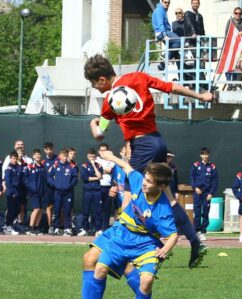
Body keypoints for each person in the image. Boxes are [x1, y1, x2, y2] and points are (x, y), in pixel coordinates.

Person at [85, 53, 212, 268]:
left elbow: (99, 135)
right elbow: (171, 87)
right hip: (158, 141)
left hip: (142, 147)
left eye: (94, 84)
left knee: (128, 195)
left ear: (102, 80)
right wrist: (200, 96)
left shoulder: (109, 102)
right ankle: (194, 241)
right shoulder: (139, 77)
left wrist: (92, 122)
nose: (96, 89)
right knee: (167, 197)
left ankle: (126, 247)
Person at [81, 152, 177, 299]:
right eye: (145, 179)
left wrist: (166, 249)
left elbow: (173, 235)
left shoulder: (163, 209)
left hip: (145, 243)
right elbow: (128, 168)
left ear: (161, 186)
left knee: (147, 280)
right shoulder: (138, 182)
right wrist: (111, 157)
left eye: (149, 181)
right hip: (122, 234)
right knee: (98, 267)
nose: (144, 183)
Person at [189, 147, 218, 241]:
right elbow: (192, 178)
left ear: (209, 155)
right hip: (197, 193)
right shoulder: (196, 165)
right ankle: (196, 231)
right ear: (201, 155)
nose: (205, 156)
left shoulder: (212, 167)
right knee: (197, 213)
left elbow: (215, 181)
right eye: (203, 154)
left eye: (207, 154)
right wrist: (195, 187)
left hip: (207, 194)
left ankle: (203, 232)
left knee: (205, 213)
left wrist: (211, 193)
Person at [48, 148, 78, 236]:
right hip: (57, 192)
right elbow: (49, 176)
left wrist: (69, 185)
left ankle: (67, 228)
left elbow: (75, 178)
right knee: (57, 210)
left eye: (66, 156)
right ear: (60, 156)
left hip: (67, 192)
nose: (65, 158)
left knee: (67, 210)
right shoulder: (55, 165)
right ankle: (56, 228)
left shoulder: (72, 166)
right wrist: (54, 184)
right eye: (64, 156)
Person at [2, 140, 32, 228]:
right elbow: (6, 176)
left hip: (22, 189)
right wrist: (6, 186)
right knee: (11, 207)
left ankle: (19, 224)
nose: (20, 153)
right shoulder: (10, 162)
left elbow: (27, 176)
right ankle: (8, 224)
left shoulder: (27, 161)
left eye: (22, 146)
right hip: (13, 190)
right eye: (19, 146)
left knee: (20, 207)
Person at [78, 148, 102, 237]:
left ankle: (98, 229)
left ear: (95, 157)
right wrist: (96, 178)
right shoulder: (84, 165)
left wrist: (93, 165)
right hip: (87, 191)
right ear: (87, 157)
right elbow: (85, 178)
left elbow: (100, 175)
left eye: (93, 156)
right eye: (90, 157)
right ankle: (85, 229)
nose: (91, 158)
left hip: (97, 191)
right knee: (86, 211)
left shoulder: (99, 165)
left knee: (97, 211)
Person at [152, 0, 181, 70]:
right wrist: (164, 35)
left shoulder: (163, 10)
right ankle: (165, 56)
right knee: (180, 41)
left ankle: (162, 64)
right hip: (163, 32)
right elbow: (160, 24)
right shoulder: (160, 10)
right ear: (161, 2)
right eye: (165, 2)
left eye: (168, 2)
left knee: (175, 46)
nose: (167, 4)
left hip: (162, 32)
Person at [23, 149, 46, 235]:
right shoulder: (29, 167)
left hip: (42, 193)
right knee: (36, 209)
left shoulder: (43, 167)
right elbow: (25, 180)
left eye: (39, 154)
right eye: (36, 154)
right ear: (33, 156)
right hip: (34, 193)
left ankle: (36, 227)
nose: (37, 156)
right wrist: (32, 188)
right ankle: (30, 228)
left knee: (40, 210)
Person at [225, 7, 242, 90]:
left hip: (239, 47)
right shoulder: (230, 21)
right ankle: (229, 83)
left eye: (239, 13)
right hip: (230, 46)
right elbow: (227, 33)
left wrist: (237, 33)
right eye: (236, 13)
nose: (238, 14)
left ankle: (234, 83)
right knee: (228, 65)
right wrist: (238, 33)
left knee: (236, 66)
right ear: (233, 13)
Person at [95, 143, 114, 235]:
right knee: (98, 208)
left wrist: (105, 170)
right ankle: (97, 228)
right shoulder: (96, 160)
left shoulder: (112, 160)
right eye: (101, 150)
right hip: (99, 187)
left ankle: (105, 228)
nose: (103, 152)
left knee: (107, 209)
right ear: (99, 151)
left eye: (105, 150)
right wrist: (105, 170)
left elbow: (112, 170)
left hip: (109, 187)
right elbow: (97, 172)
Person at [3, 151, 23, 235]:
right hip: (11, 193)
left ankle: (9, 224)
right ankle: (7, 226)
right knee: (11, 210)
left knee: (17, 210)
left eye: (16, 158)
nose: (14, 160)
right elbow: (8, 182)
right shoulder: (8, 168)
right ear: (10, 159)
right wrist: (13, 192)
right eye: (13, 158)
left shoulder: (18, 167)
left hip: (18, 192)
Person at [43, 142, 57, 234]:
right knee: (49, 206)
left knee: (60, 207)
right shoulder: (43, 162)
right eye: (47, 149)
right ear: (44, 150)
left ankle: (60, 226)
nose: (49, 151)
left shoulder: (58, 159)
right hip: (48, 188)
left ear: (53, 149)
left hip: (59, 188)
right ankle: (50, 226)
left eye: (50, 149)